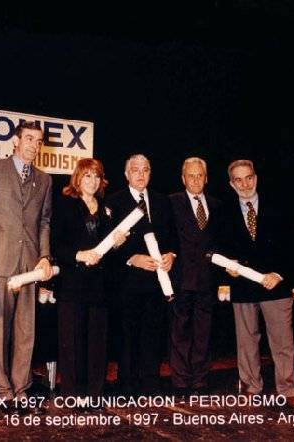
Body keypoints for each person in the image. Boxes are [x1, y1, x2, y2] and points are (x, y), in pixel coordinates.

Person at [0, 121, 53, 406]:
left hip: (29, 266)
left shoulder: (45, 179)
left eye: (39, 141)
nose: (34, 145)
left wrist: (44, 256)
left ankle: (21, 387)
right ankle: (1, 388)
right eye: (29, 138)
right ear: (16, 141)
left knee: (25, 330)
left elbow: (44, 222)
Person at [221, 159, 294, 409]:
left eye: (249, 178)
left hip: (276, 285)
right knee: (246, 341)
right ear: (232, 184)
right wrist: (229, 267)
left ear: (255, 178)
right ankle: (251, 387)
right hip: (243, 287)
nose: (245, 184)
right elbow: (220, 247)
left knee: (282, 342)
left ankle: (287, 390)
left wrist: (279, 274)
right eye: (238, 180)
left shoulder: (279, 206)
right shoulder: (223, 212)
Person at [52, 158, 125, 400]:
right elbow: (55, 245)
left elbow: (109, 252)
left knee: (97, 344)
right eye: (87, 176)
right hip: (72, 286)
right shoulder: (65, 205)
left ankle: (94, 395)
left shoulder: (107, 208)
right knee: (72, 343)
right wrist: (78, 255)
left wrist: (117, 245)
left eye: (96, 176)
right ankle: (72, 395)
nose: (93, 181)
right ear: (77, 178)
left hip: (100, 288)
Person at [105, 153, 175, 395]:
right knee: (127, 336)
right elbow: (107, 244)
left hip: (158, 281)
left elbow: (172, 236)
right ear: (126, 174)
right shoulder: (113, 201)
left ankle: (151, 384)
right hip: (128, 281)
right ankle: (127, 385)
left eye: (145, 170)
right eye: (135, 170)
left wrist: (171, 255)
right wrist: (132, 258)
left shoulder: (162, 201)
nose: (141, 174)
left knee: (153, 334)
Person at [168, 157, 223, 395]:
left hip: (208, 280)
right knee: (180, 331)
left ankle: (200, 381)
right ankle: (180, 382)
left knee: (204, 332)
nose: (196, 180)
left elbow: (220, 242)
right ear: (183, 178)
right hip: (181, 279)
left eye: (200, 175)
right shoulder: (171, 202)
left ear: (206, 178)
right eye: (191, 175)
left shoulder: (217, 205)